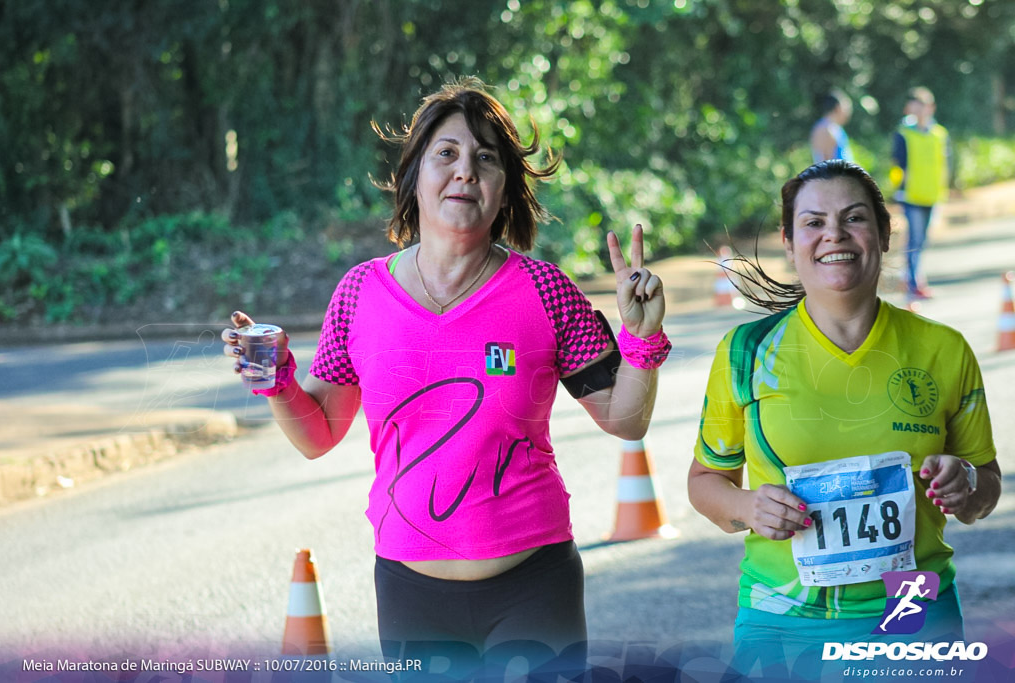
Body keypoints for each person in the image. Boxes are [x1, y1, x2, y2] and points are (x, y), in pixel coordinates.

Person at [221, 78, 671, 672]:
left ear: (504, 189)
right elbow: (317, 434)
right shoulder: (360, 293)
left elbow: (626, 418)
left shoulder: (545, 290)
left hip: (535, 585)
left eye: (486, 159)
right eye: (447, 154)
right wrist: (276, 378)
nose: (466, 171)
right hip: (412, 592)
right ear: (415, 178)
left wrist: (640, 337)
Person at [688, 160, 1000, 680]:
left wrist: (967, 483)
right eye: (813, 222)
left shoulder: (944, 350)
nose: (834, 234)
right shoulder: (746, 353)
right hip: (782, 619)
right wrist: (746, 505)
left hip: (913, 613)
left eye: (853, 218)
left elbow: (985, 489)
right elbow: (705, 484)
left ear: (883, 233)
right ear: (789, 241)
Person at [890, 86, 953, 300]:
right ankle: (913, 282)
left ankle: (911, 278)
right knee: (914, 240)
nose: (920, 110)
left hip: (932, 195)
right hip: (911, 196)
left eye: (923, 105)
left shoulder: (939, 134)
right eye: (915, 105)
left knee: (922, 240)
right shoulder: (903, 134)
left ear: (931, 107)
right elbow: (897, 164)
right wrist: (899, 188)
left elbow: (944, 163)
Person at [809, 89, 854, 163]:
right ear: (838, 107)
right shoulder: (825, 129)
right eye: (847, 108)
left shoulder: (835, 128)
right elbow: (826, 166)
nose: (849, 113)